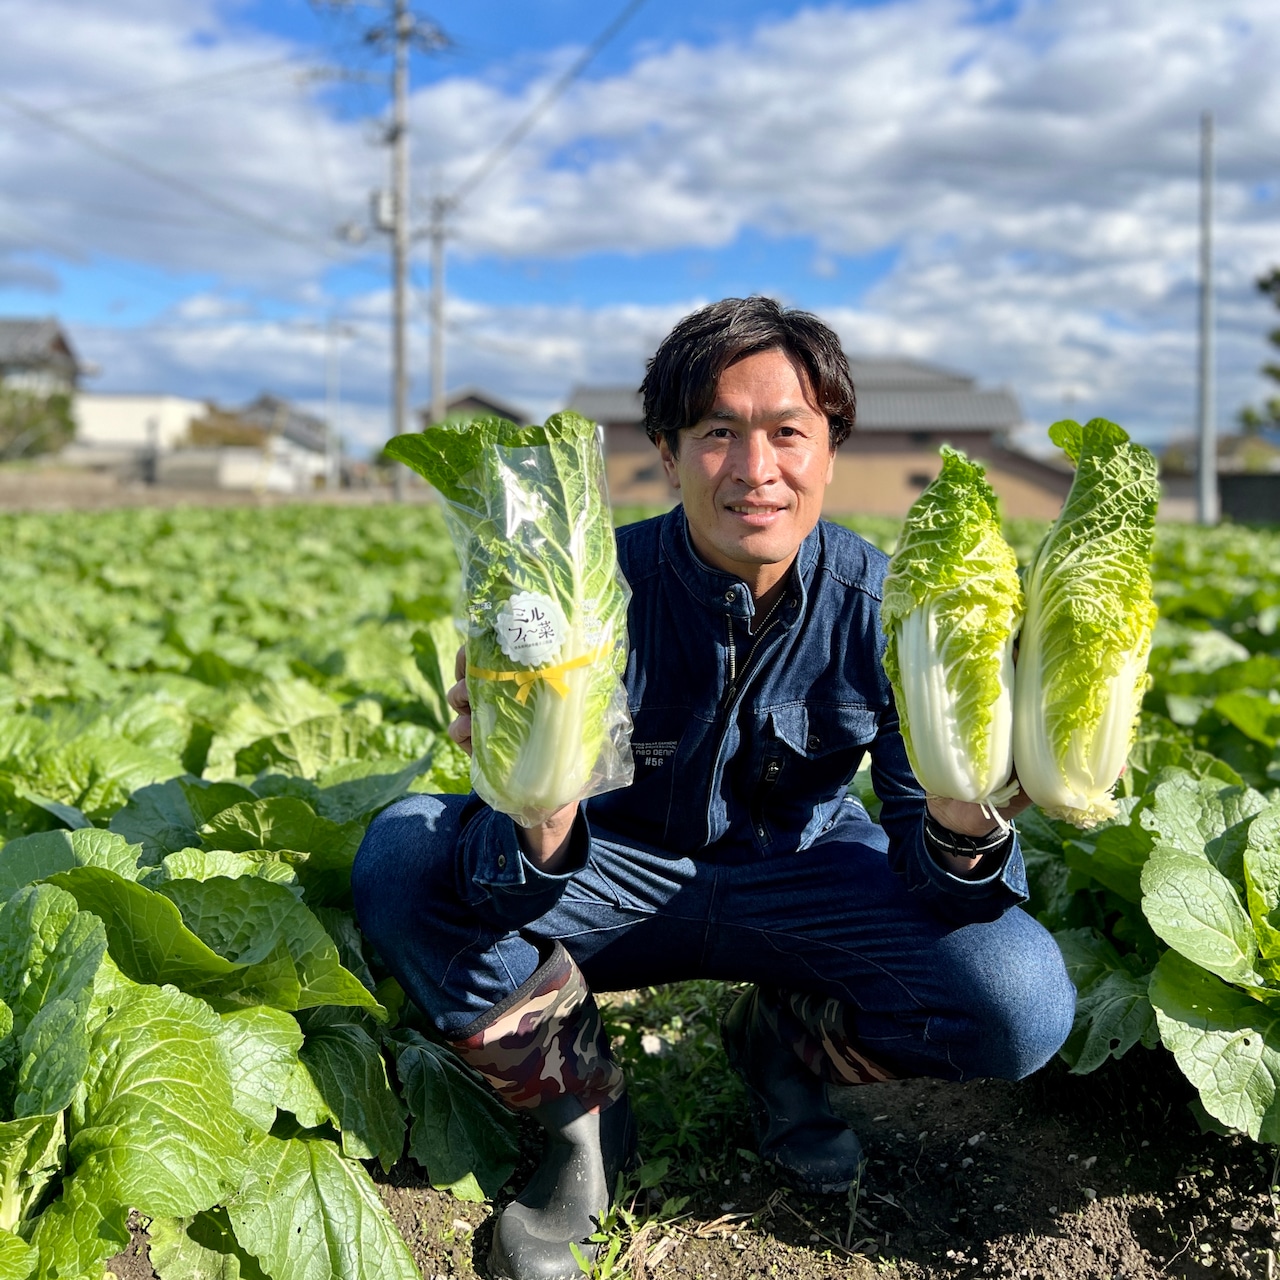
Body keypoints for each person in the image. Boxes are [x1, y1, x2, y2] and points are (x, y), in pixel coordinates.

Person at [352, 297, 1076, 1280]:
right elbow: (502, 888)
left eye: (787, 432)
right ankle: (585, 1114)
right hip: (605, 871)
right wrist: (539, 814)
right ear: (665, 448)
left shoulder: (886, 604)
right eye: (715, 433)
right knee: (404, 854)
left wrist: (960, 825)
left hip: (803, 872)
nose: (753, 467)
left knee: (1017, 994)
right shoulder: (584, 591)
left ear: (829, 447)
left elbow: (933, 873)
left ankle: (783, 1047)